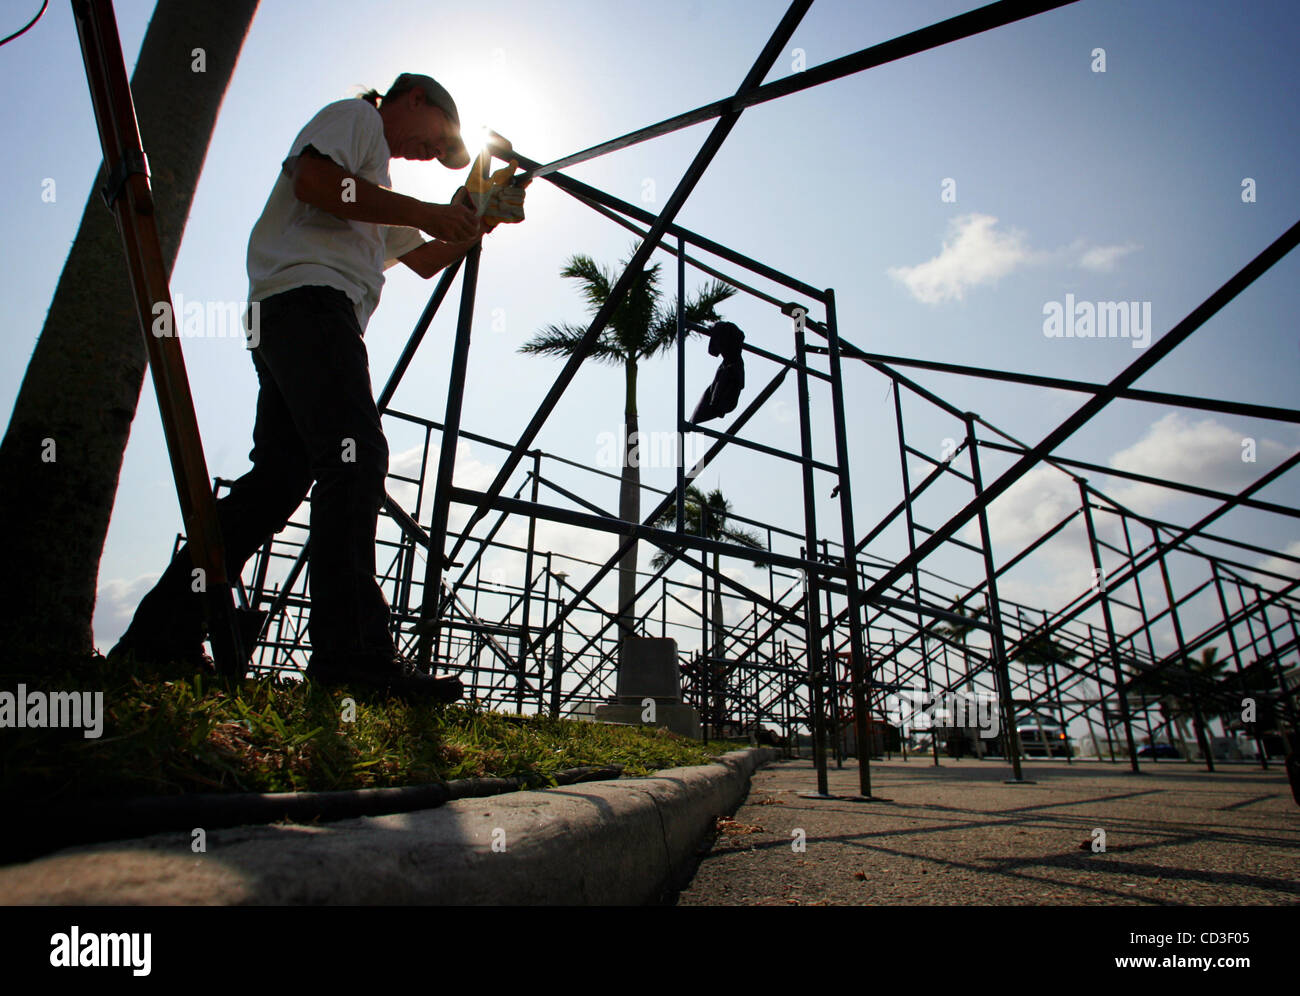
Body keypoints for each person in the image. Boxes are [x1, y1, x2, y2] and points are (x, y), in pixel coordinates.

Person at [110, 73, 524, 699]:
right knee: (356, 459)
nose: (427, 155)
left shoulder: (379, 189)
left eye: (438, 155)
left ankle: (159, 635)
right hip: (307, 302)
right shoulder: (356, 119)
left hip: (297, 313)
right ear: (412, 99)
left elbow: (426, 256)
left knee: (277, 483)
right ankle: (351, 659)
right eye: (434, 139)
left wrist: (480, 220)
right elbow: (314, 182)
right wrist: (429, 211)